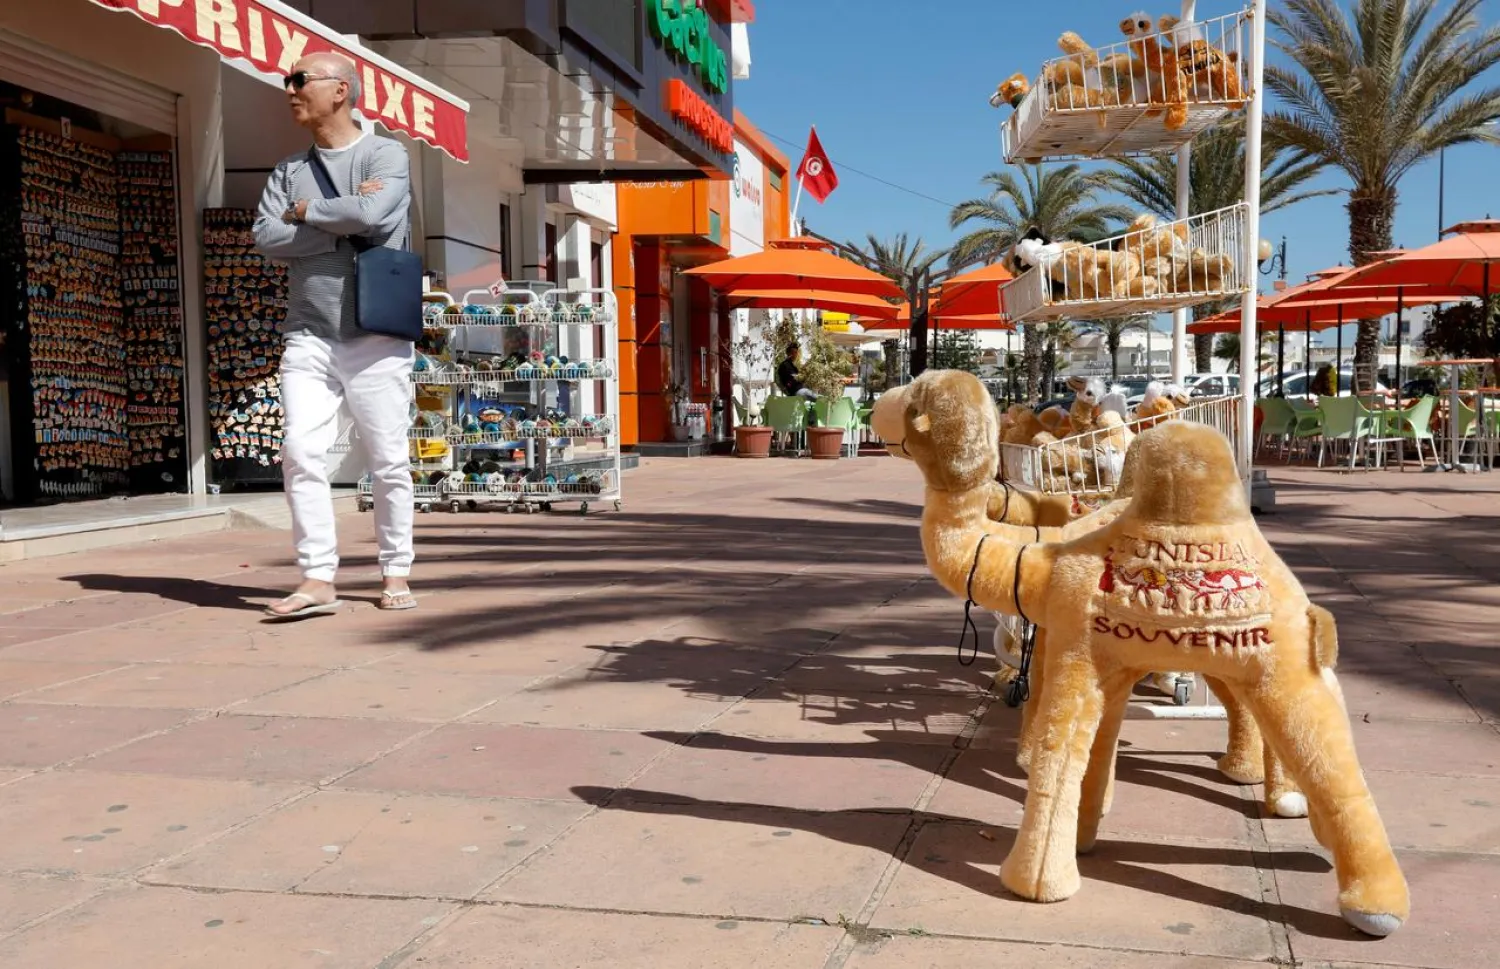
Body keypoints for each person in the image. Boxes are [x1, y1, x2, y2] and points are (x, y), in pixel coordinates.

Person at [252, 51, 417, 619]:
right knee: (299, 451)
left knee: (389, 460)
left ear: (339, 90)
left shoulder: (384, 152)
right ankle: (318, 578)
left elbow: (374, 215)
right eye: (288, 80)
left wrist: (306, 214)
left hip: (377, 331)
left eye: (299, 80)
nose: (289, 89)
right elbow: (268, 239)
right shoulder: (287, 169)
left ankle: (395, 567)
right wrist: (332, 222)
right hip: (309, 331)